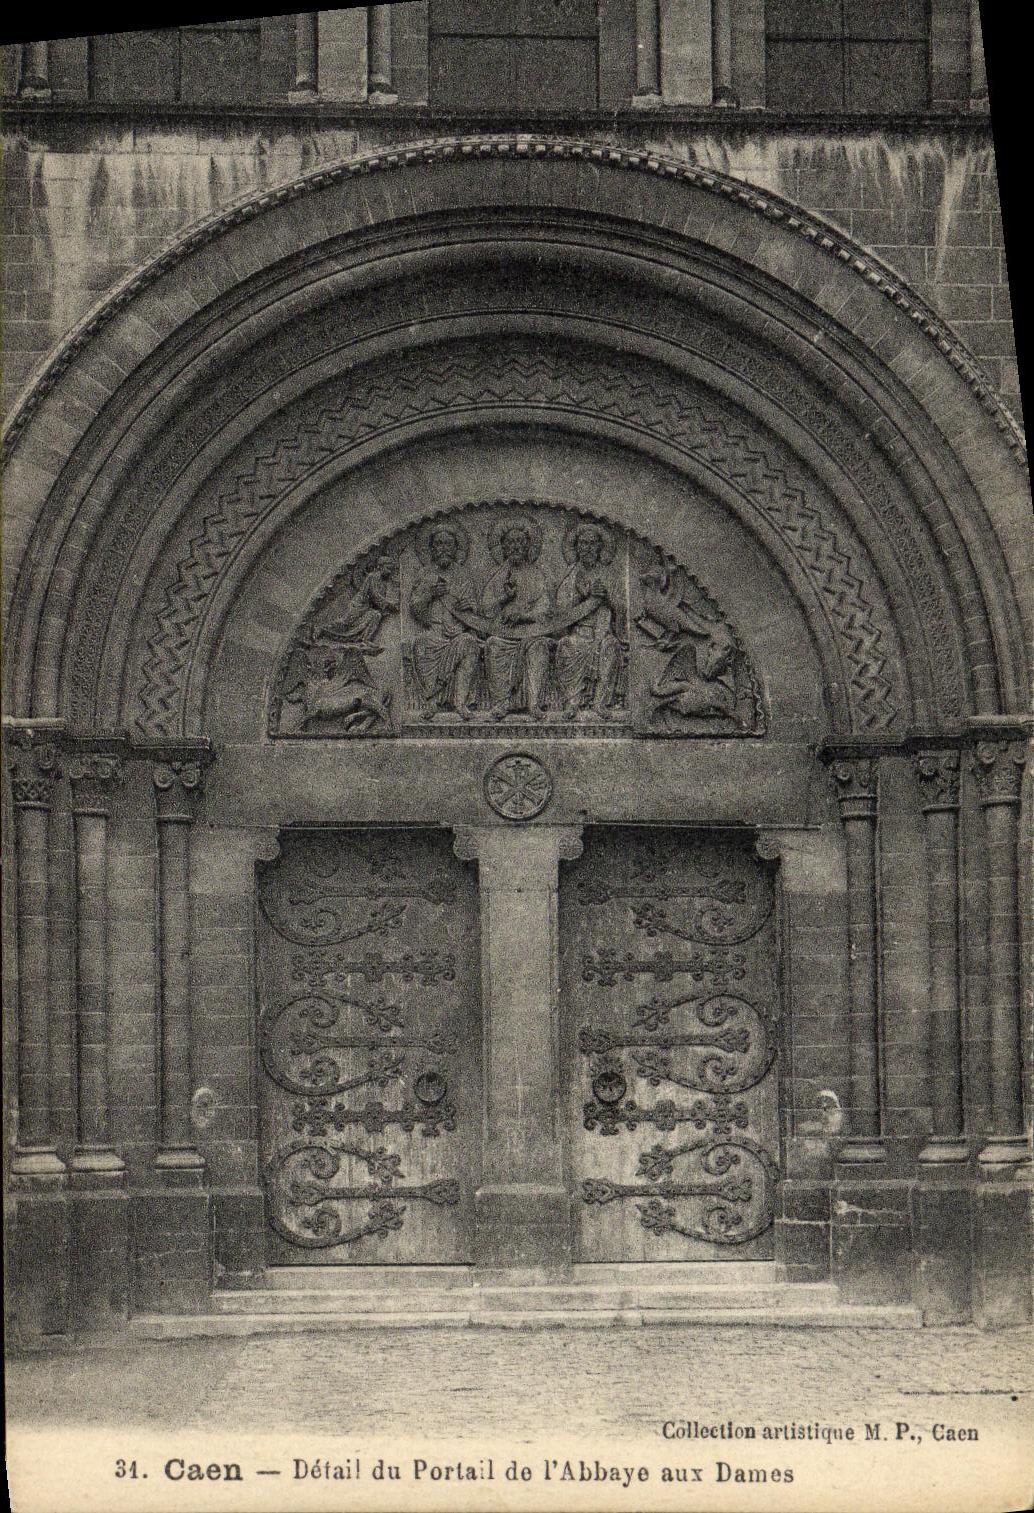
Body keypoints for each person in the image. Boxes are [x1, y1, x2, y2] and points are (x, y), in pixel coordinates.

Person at [408, 524, 482, 720]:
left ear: (456, 549)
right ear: (431, 549)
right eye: (439, 544)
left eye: (448, 544)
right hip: (435, 631)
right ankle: (431, 703)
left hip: (458, 633)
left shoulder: (462, 574)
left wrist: (469, 606)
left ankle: (460, 702)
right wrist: (429, 595)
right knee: (422, 644)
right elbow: (415, 607)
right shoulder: (425, 574)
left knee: (469, 643)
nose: (443, 548)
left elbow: (474, 609)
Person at [481, 518, 553, 718]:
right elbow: (486, 610)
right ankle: (500, 704)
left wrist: (524, 616)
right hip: (503, 634)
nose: (515, 547)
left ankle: (534, 704)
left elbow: (546, 608)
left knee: (539, 647)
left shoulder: (536, 574)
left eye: (520, 542)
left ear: (528, 546)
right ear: (503, 548)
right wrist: (505, 598)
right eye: (510, 543)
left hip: (531, 633)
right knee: (493, 645)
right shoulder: (498, 575)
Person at [553, 522, 623, 720]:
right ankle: (572, 702)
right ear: (576, 547)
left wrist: (607, 598)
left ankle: (600, 702)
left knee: (610, 647)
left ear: (600, 548)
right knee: (567, 645)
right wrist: (582, 596)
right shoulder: (571, 575)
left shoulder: (609, 575)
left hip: (603, 632)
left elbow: (623, 609)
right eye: (583, 543)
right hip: (579, 633)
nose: (588, 548)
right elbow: (561, 613)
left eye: (593, 544)